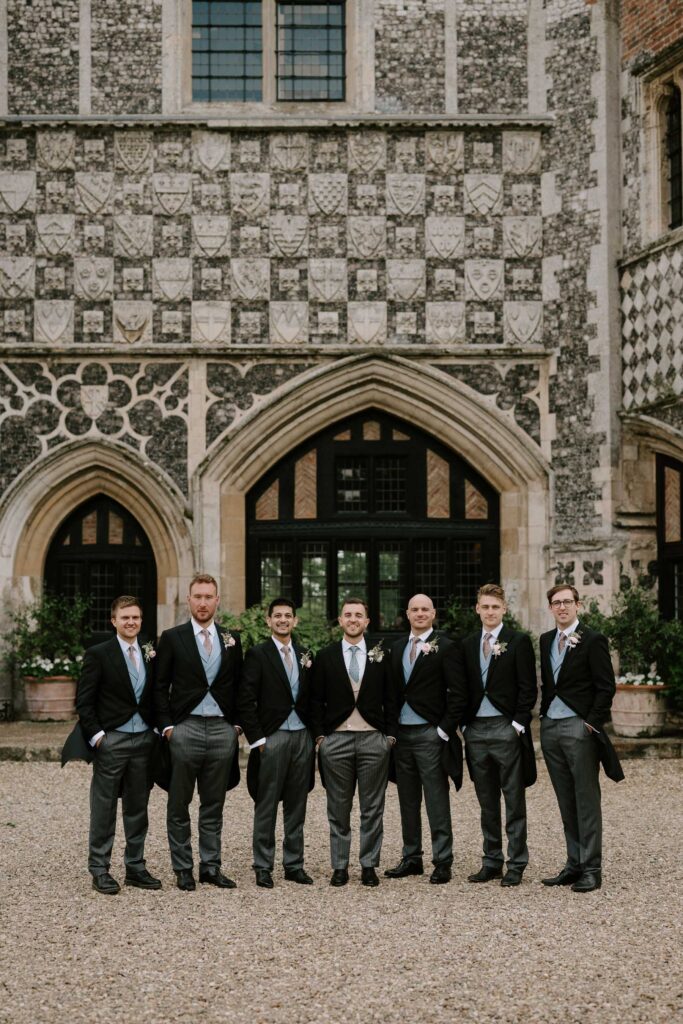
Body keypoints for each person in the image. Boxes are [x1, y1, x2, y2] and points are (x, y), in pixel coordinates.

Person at [154, 573, 243, 892]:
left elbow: (238, 685)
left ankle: (211, 865)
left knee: (213, 803)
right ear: (188, 600)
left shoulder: (232, 638)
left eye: (209, 597)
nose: (203, 602)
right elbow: (159, 686)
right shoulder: (172, 637)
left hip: (221, 730)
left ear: (217, 601)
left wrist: (236, 727)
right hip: (185, 729)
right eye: (198, 596)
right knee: (179, 802)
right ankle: (182, 868)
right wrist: (167, 728)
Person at [539, 584, 624, 893]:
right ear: (550, 608)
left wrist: (591, 723)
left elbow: (606, 686)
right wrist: (544, 717)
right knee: (565, 799)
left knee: (586, 799)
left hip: (579, 727)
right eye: (556, 603)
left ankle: (592, 868)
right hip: (550, 728)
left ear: (578, 605)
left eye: (567, 602)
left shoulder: (593, 639)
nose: (562, 607)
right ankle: (573, 863)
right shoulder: (545, 640)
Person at [75, 595, 160, 895]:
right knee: (104, 805)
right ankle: (100, 869)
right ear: (114, 621)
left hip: (144, 741)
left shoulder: (151, 651)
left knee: (138, 806)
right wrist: (99, 737)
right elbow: (84, 702)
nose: (131, 622)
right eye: (125, 617)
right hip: (112, 740)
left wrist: (157, 730)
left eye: (135, 617)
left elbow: (156, 693)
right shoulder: (99, 654)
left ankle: (135, 866)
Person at [312, 598, 398, 888]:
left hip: (373, 739)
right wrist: (321, 738)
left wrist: (389, 737)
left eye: (358, 615)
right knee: (338, 807)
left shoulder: (382, 655)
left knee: (372, 807)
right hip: (336, 740)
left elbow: (392, 698)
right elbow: (314, 700)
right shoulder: (326, 656)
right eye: (348, 615)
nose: (353, 619)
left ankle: (369, 865)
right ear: (340, 620)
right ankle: (339, 866)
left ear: (367, 621)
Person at [456, 584, 537, 887]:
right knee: (486, 800)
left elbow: (528, 687)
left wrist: (517, 724)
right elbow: (461, 687)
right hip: (476, 731)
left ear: (504, 609)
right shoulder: (466, 645)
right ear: (477, 609)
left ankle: (516, 863)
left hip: (506, 728)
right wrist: (464, 725)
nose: (490, 612)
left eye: (495, 607)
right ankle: (491, 860)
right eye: (485, 607)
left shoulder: (518, 642)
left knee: (513, 799)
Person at [384, 593, 467, 884]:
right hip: (402, 737)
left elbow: (459, 693)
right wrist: (391, 731)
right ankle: (412, 858)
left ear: (433, 614)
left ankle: (442, 860)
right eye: (414, 609)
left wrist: (443, 729)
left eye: (425, 609)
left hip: (431, 733)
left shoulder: (446, 647)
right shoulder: (395, 648)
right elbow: (392, 694)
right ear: (407, 614)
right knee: (407, 800)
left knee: (435, 799)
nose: (420, 614)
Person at [237, 598, 315, 889]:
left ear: (295, 621)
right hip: (272, 738)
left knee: (297, 803)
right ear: (268, 621)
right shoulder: (257, 655)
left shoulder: (306, 653)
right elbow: (246, 700)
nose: (283, 620)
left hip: (302, 737)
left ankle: (294, 864)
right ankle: (263, 865)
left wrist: (314, 736)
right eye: (277, 616)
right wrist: (258, 740)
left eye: (288, 616)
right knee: (267, 803)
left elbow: (313, 698)